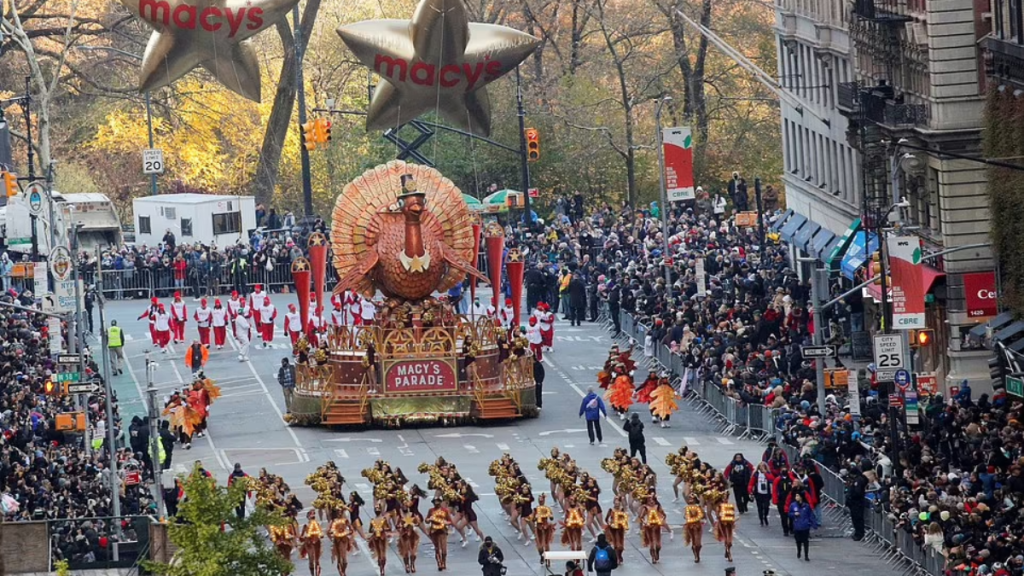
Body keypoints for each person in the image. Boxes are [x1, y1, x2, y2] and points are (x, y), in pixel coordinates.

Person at [788, 491, 817, 561]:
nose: (796, 497)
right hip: (797, 526)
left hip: (805, 526)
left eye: (798, 496)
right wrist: (794, 514)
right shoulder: (793, 505)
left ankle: (806, 555)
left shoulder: (806, 506)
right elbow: (789, 514)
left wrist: (813, 524)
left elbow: (811, 515)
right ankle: (799, 551)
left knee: (805, 541)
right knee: (798, 541)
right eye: (796, 496)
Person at [845, 463, 868, 541]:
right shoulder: (858, 479)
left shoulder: (858, 480)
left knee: (858, 519)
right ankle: (858, 533)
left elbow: (857, 492)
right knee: (855, 518)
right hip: (855, 502)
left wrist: (851, 495)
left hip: (857, 502)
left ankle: (859, 534)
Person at [748, 462, 774, 526]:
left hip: (766, 493)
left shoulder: (768, 473)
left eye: (763, 466)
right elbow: (751, 483)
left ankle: (765, 516)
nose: (762, 468)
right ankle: (761, 519)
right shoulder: (756, 474)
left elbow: (772, 480)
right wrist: (750, 491)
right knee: (760, 507)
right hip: (758, 493)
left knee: (766, 506)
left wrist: (765, 472)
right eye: (760, 466)